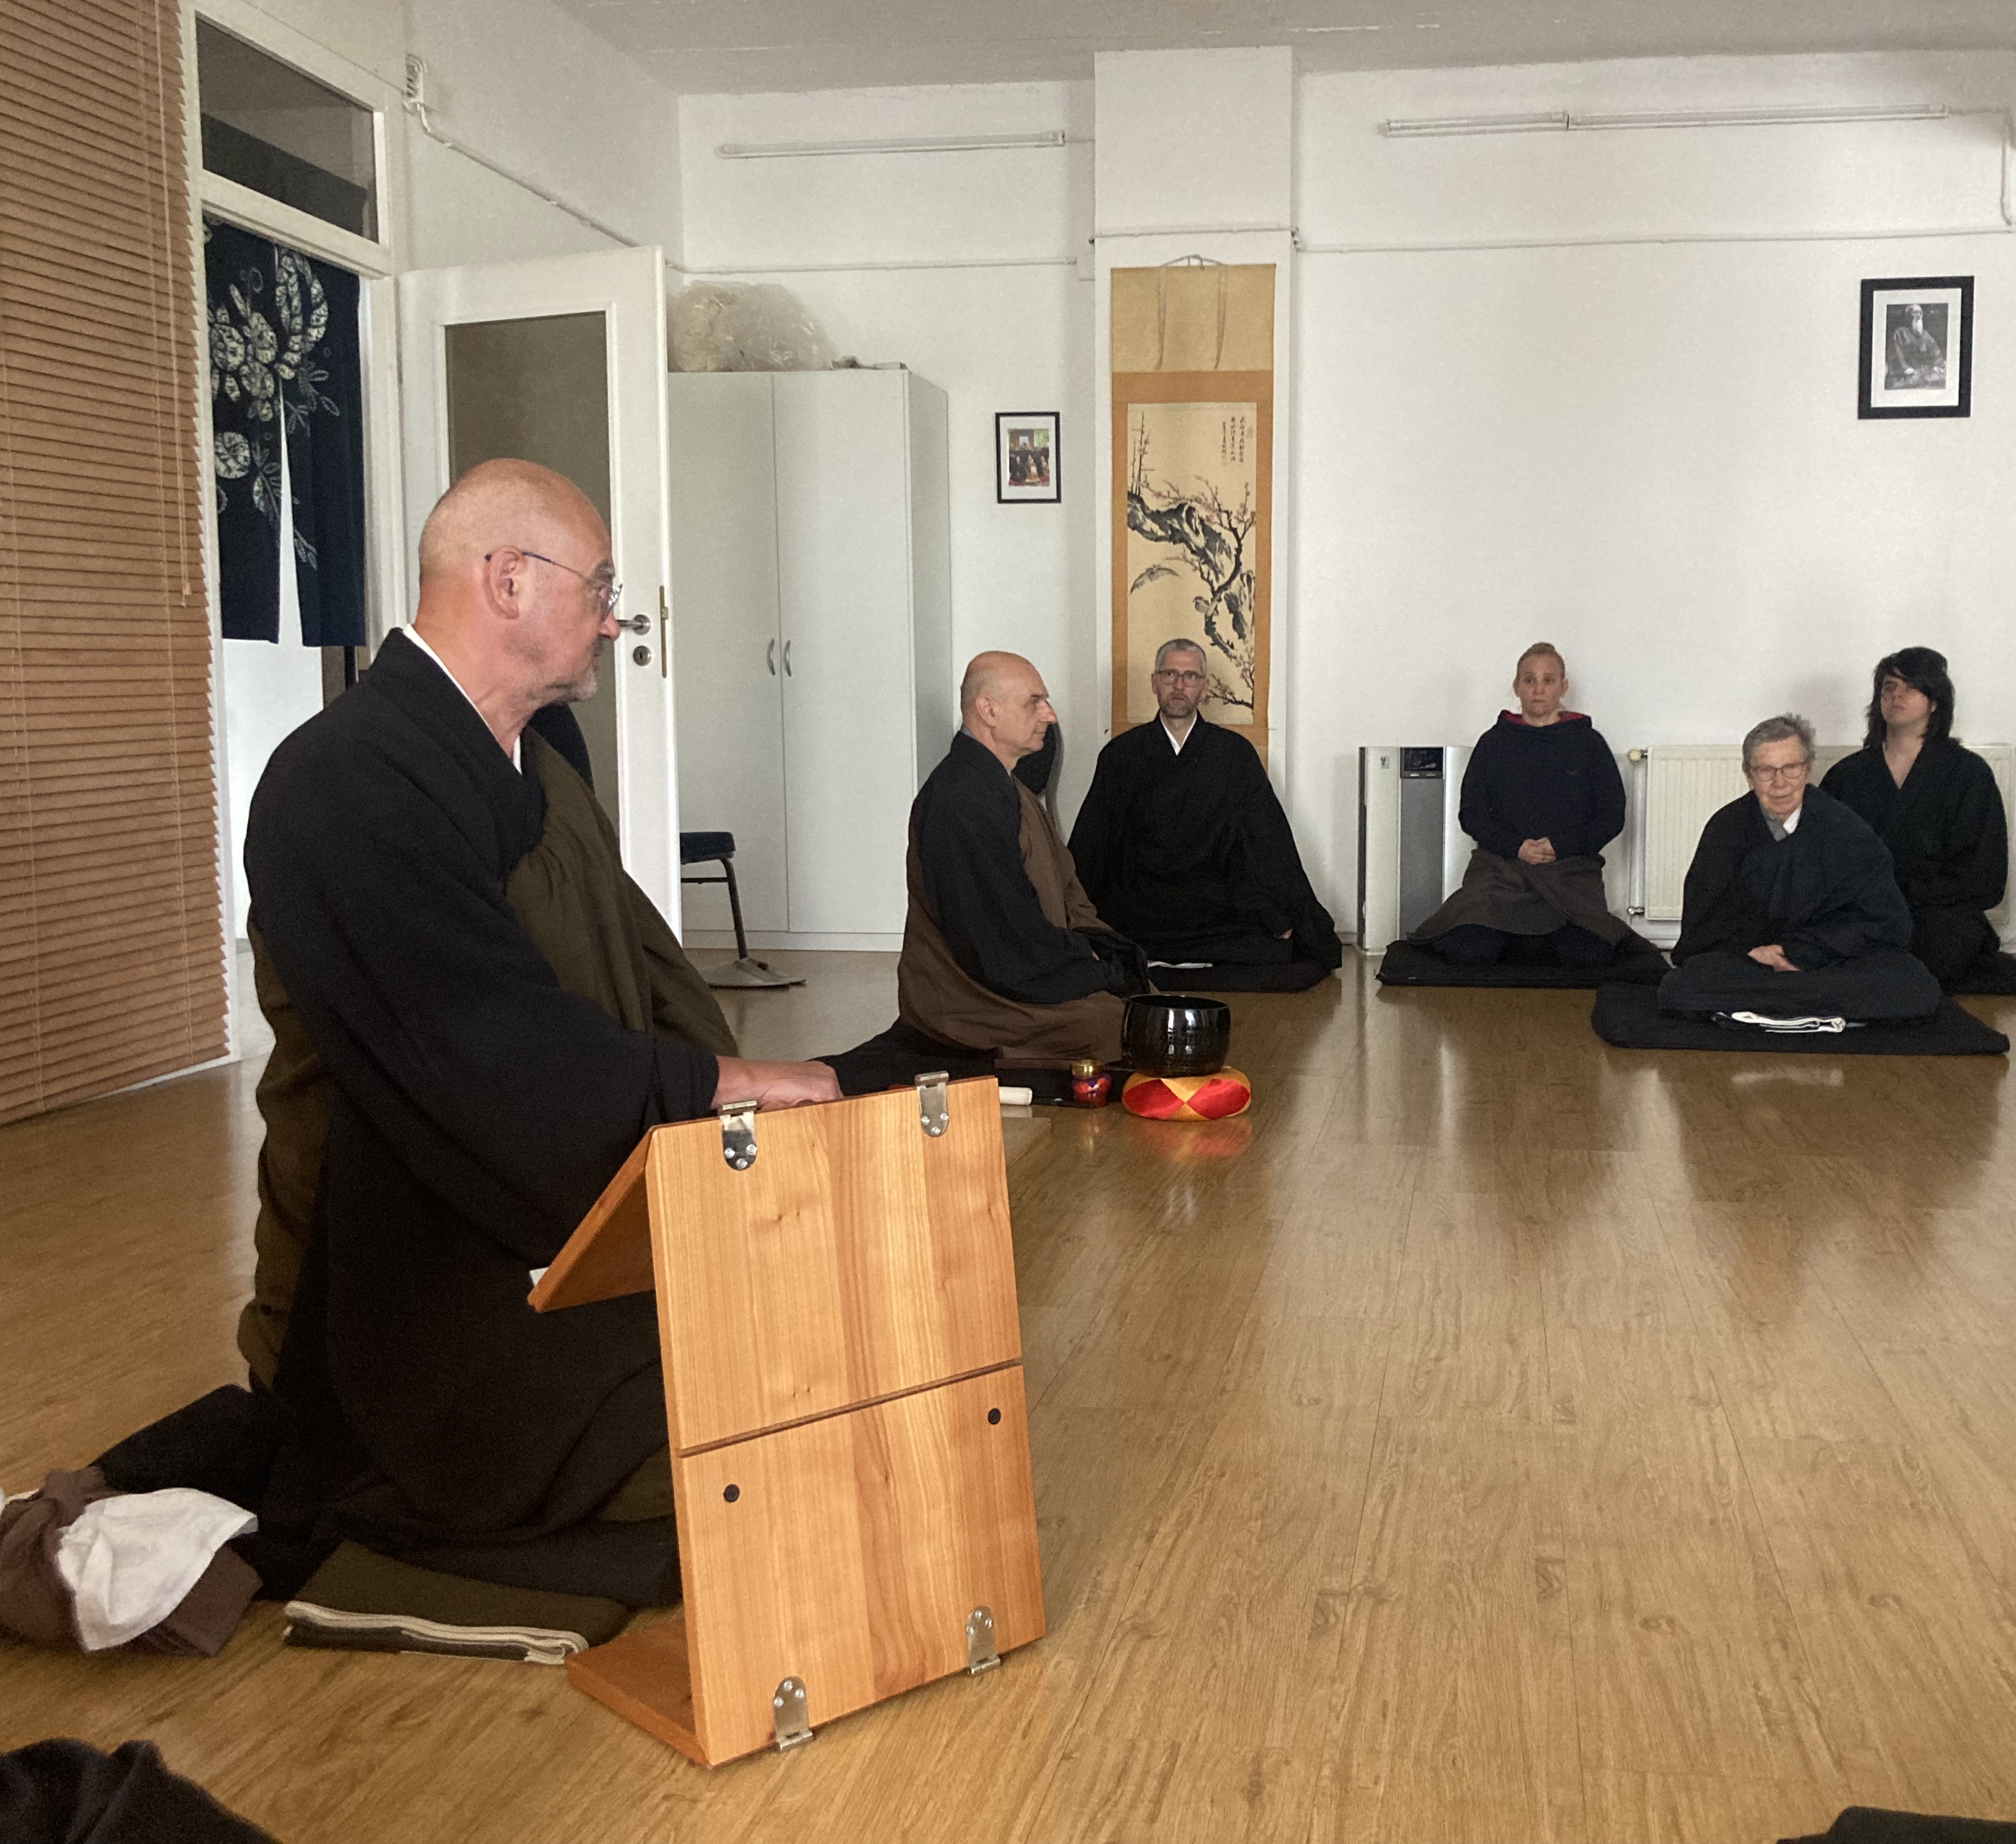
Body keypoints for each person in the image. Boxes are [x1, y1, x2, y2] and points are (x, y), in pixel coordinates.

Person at [243, 459, 839, 1605]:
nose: (617, 618)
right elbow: (481, 1049)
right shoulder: (341, 781)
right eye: (601, 584)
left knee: (819, 1344)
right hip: (415, 1280)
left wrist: (741, 1130)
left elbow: (647, 955)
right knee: (767, 1441)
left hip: (584, 1199)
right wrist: (709, 1082)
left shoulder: (544, 757)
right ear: (508, 580)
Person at [898, 651, 1146, 1058]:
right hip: (970, 1000)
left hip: (1030, 967)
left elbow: (1070, 895)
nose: (1049, 715)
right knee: (1118, 1026)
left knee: (1144, 1004)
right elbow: (994, 941)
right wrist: (1090, 965)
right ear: (989, 710)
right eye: (1035, 702)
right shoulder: (959, 799)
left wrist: (1099, 952)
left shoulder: (1013, 792)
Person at [1067, 638, 1340, 973]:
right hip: (1143, 902)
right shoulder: (1120, 755)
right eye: (1169, 675)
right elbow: (1093, 843)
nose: (1179, 685)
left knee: (1272, 943)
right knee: (1106, 935)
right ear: (1154, 683)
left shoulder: (1234, 755)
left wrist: (1281, 911)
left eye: (1191, 677)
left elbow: (1267, 841)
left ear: (1205, 688)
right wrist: (1078, 916)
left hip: (1212, 901)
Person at [1658, 714, 1943, 1023]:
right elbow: (1701, 930)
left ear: (1807, 769)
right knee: (1682, 985)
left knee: (1912, 982)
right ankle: (1818, 1009)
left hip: (1826, 964)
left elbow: (1886, 923)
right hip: (1753, 964)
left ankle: (1763, 1008)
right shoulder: (1726, 829)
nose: (1780, 783)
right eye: (1766, 770)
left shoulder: (1846, 830)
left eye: (1791, 768)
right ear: (1749, 775)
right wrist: (1750, 951)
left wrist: (1802, 954)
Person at [1409, 642, 1638, 967]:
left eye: (1548, 680)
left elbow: (1611, 816)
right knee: (1468, 951)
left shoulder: (1589, 743)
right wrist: (1517, 847)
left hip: (1570, 874)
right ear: (1517, 687)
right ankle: (1522, 941)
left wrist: (1560, 846)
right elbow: (1472, 814)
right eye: (1529, 680)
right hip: (1501, 873)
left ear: (1563, 687)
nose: (1539, 689)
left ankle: (1528, 943)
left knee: (1589, 956)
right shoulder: (1493, 743)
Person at [1820, 647, 2009, 987]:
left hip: (1938, 911)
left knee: (1939, 945)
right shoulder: (1847, 776)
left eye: (1911, 687)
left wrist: (1911, 895)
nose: (1897, 695)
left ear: (1935, 702)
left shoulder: (1968, 775)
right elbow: (1824, 860)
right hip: (1864, 908)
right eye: (1889, 686)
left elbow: (1985, 874)